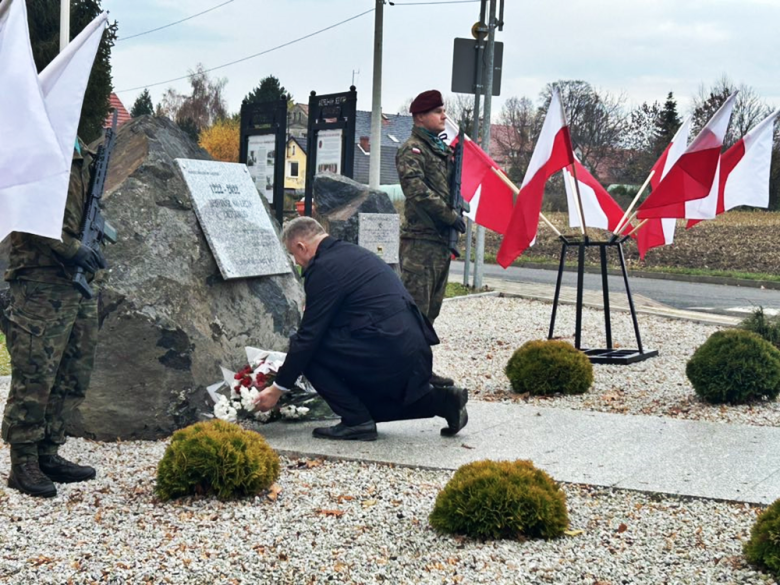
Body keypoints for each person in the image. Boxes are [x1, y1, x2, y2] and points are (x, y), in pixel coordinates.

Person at [254, 217, 468, 441]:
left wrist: (277, 389)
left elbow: (308, 337)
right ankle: (445, 403)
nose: (297, 263)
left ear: (301, 246)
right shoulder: (351, 253)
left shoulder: (324, 269)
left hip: (387, 349)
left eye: (294, 255)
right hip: (410, 348)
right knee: (367, 408)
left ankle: (356, 422)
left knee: (310, 352)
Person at [2, 141, 107, 498]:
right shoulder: (33, 144)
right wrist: (72, 248)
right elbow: (23, 209)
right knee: (35, 374)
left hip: (77, 284)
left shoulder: (80, 150)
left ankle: (48, 451)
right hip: (40, 279)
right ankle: (24, 461)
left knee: (74, 372)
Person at [396, 89, 466, 388]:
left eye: (443, 111)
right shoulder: (412, 149)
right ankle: (403, 373)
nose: (443, 116)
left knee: (431, 312)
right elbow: (417, 192)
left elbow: (449, 189)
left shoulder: (440, 150)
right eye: (438, 112)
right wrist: (450, 216)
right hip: (420, 242)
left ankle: (420, 370)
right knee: (415, 313)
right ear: (421, 116)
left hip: (437, 243)